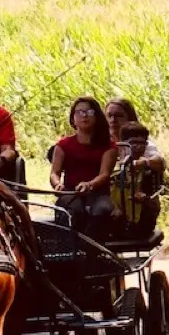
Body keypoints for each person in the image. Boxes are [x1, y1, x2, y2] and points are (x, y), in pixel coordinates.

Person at [49, 96, 117, 242]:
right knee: (74, 209)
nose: (84, 116)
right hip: (71, 192)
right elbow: (55, 173)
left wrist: (90, 185)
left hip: (98, 193)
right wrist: (57, 184)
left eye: (89, 112)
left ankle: (92, 251)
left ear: (97, 117)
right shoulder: (63, 145)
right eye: (79, 112)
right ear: (73, 119)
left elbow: (104, 174)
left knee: (102, 209)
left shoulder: (109, 146)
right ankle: (71, 249)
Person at [110, 121, 163, 238]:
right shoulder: (113, 165)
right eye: (133, 143)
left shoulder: (148, 169)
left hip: (142, 219)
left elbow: (160, 163)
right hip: (115, 216)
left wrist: (145, 198)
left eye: (142, 143)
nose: (138, 147)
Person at [104, 97, 165, 173]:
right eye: (109, 116)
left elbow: (160, 162)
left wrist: (143, 163)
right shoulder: (99, 141)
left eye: (118, 116)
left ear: (129, 118)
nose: (113, 120)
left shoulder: (139, 140)